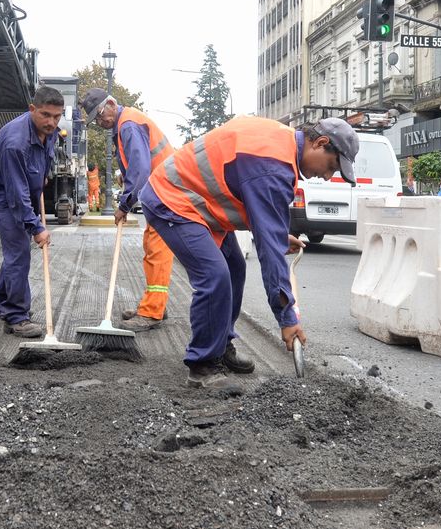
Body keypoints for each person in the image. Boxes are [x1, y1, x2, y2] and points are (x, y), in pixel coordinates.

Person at [140, 116, 360, 388]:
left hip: (198, 203)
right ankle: (203, 365)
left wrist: (276, 237)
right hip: (171, 199)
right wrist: (287, 318)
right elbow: (270, 253)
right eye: (331, 166)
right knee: (214, 276)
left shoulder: (281, 145)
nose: (327, 176)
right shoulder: (273, 165)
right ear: (320, 143)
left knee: (235, 268)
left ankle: (220, 345)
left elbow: (257, 207)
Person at [81, 88, 175, 331]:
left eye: (100, 115)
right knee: (153, 246)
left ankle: (152, 311)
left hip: (167, 191)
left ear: (111, 104)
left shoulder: (128, 125)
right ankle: (155, 304)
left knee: (157, 249)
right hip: (163, 189)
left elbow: (141, 169)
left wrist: (124, 205)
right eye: (95, 119)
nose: (100, 122)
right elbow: (138, 164)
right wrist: (126, 176)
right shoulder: (125, 123)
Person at [0, 86, 63, 339]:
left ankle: (0, 300)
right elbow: (16, 194)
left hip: (22, 190)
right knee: (19, 251)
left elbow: (46, 157)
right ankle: (15, 316)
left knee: (16, 250)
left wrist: (43, 176)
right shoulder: (15, 143)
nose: (51, 122)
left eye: (57, 116)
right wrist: (36, 227)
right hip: (1, 198)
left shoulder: (49, 131)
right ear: (32, 109)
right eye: (46, 115)